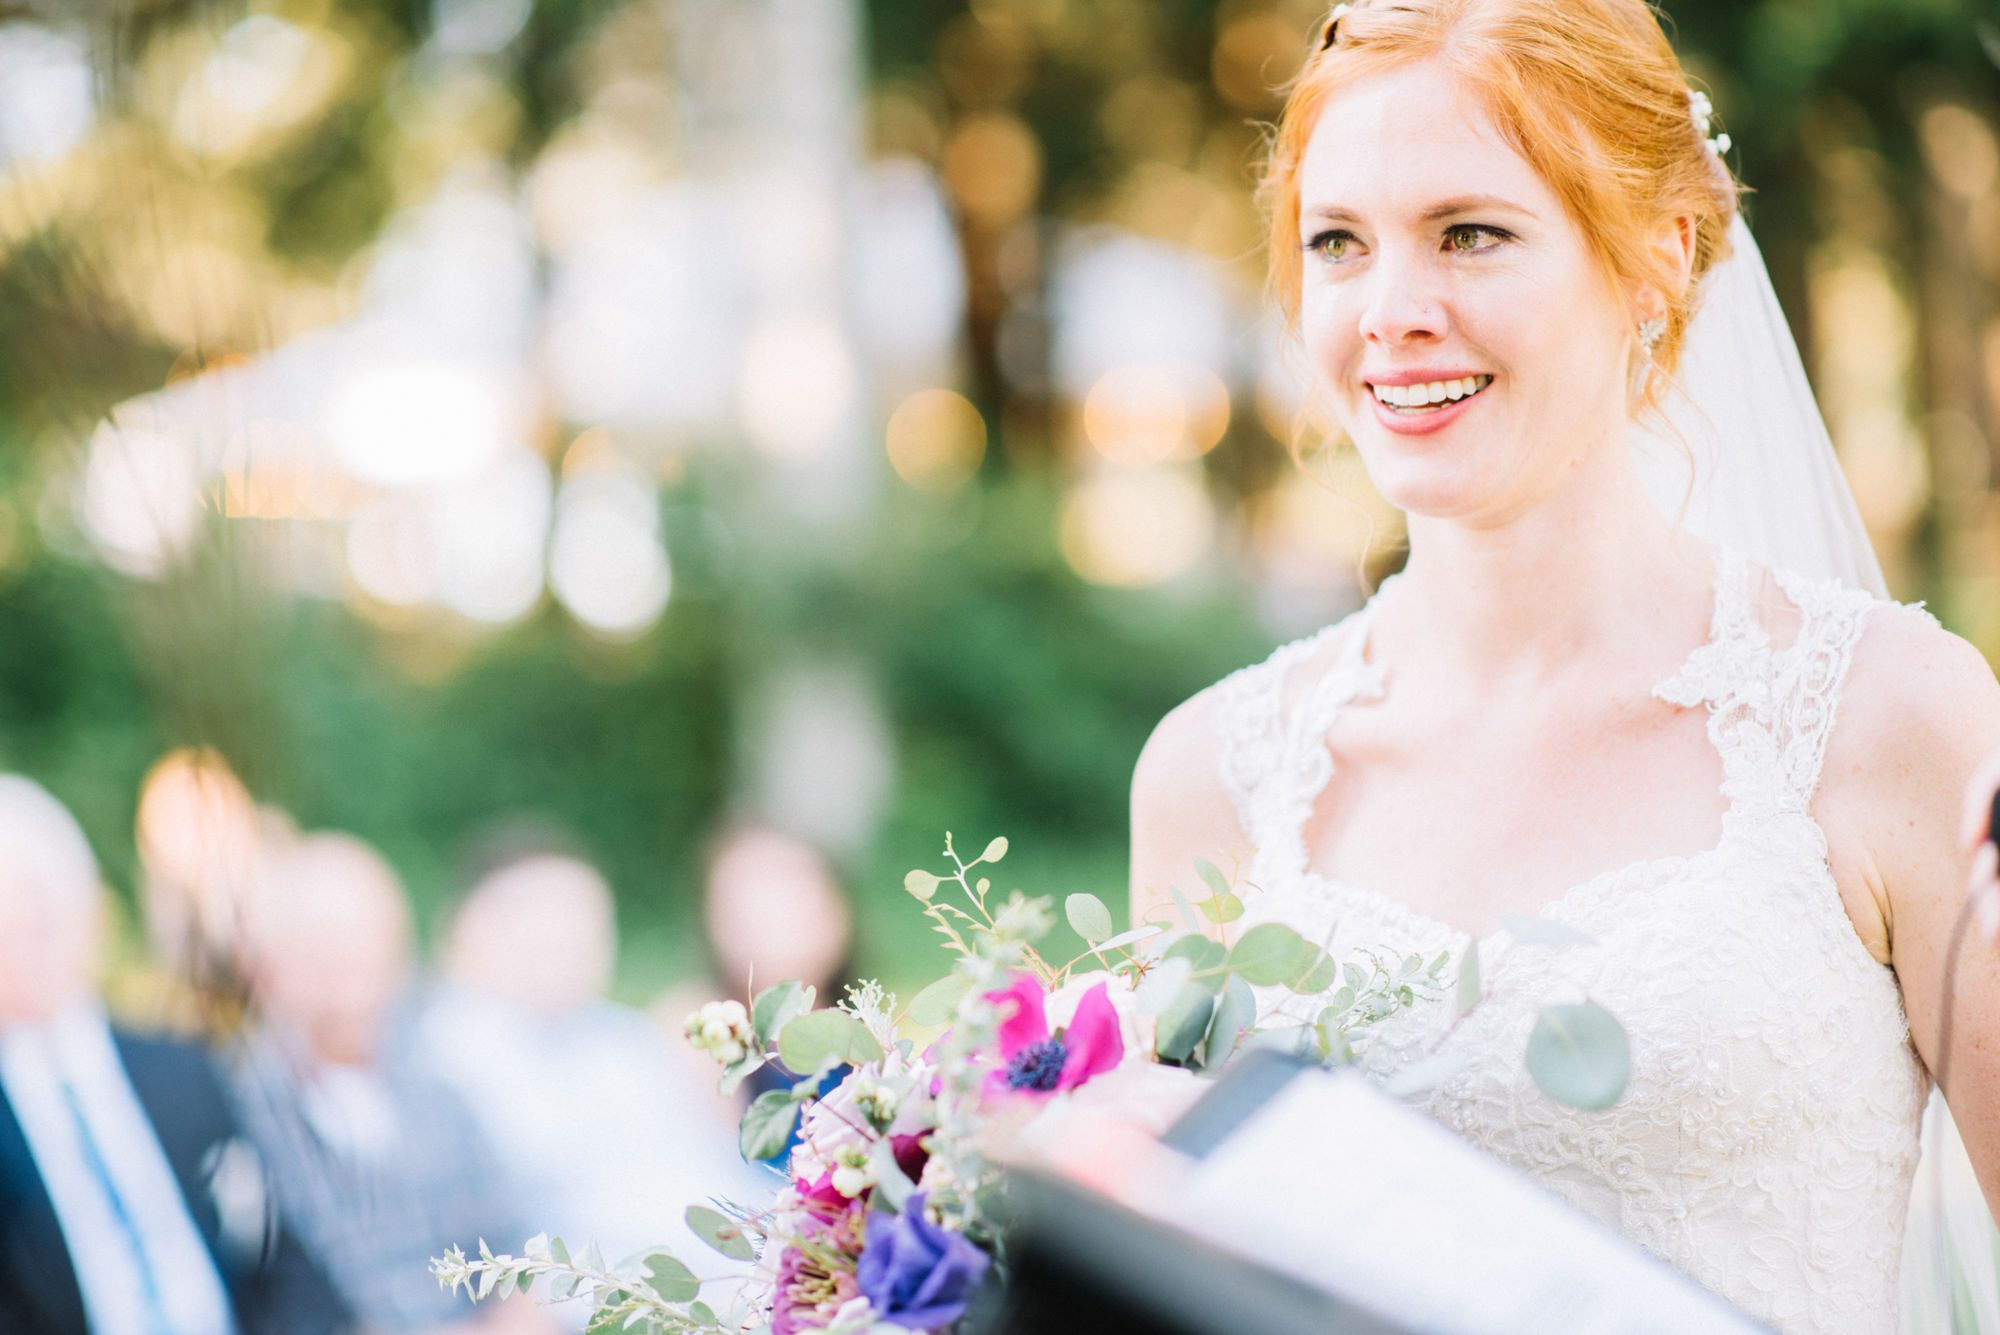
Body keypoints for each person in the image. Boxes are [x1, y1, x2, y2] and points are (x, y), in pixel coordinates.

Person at [1128, 3, 2000, 1333]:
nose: (1395, 311)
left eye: (1470, 232)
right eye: (1339, 244)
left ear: (1660, 253)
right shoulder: (1211, 778)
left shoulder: (1895, 721)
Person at [0, 773, 351, 1335]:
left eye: (40, 913)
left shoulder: (180, 1066)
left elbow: (280, 1255)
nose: (24, 942)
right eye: (7, 923)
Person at [410, 840, 767, 1327]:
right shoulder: (438, 1056)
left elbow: (709, 1176)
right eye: (535, 917)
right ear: (466, 929)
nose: (562, 936)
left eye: (584, 921)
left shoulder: (629, 1042)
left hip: (719, 1290)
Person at [231, 829, 556, 1335]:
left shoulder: (438, 1089)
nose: (347, 970)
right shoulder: (240, 1109)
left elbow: (525, 1256)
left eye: (366, 942)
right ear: (264, 964)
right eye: (320, 946)